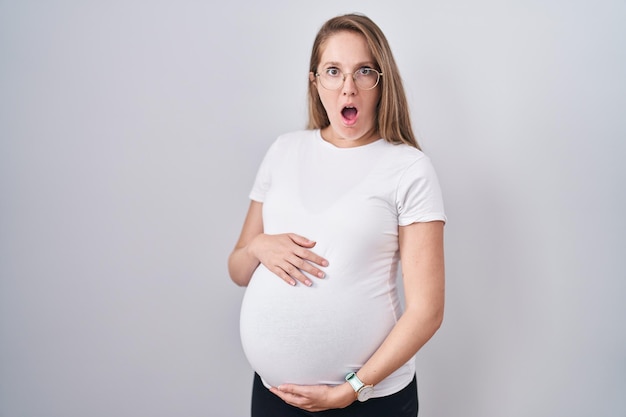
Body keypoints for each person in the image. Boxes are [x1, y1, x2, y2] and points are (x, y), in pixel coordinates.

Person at [228, 13, 446, 417]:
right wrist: (258, 245)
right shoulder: (283, 150)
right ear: (315, 83)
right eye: (333, 71)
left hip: (368, 402)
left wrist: (353, 389)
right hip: (275, 396)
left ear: (382, 82)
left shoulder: (408, 168)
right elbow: (238, 269)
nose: (348, 87)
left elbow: (427, 311)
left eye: (364, 71)